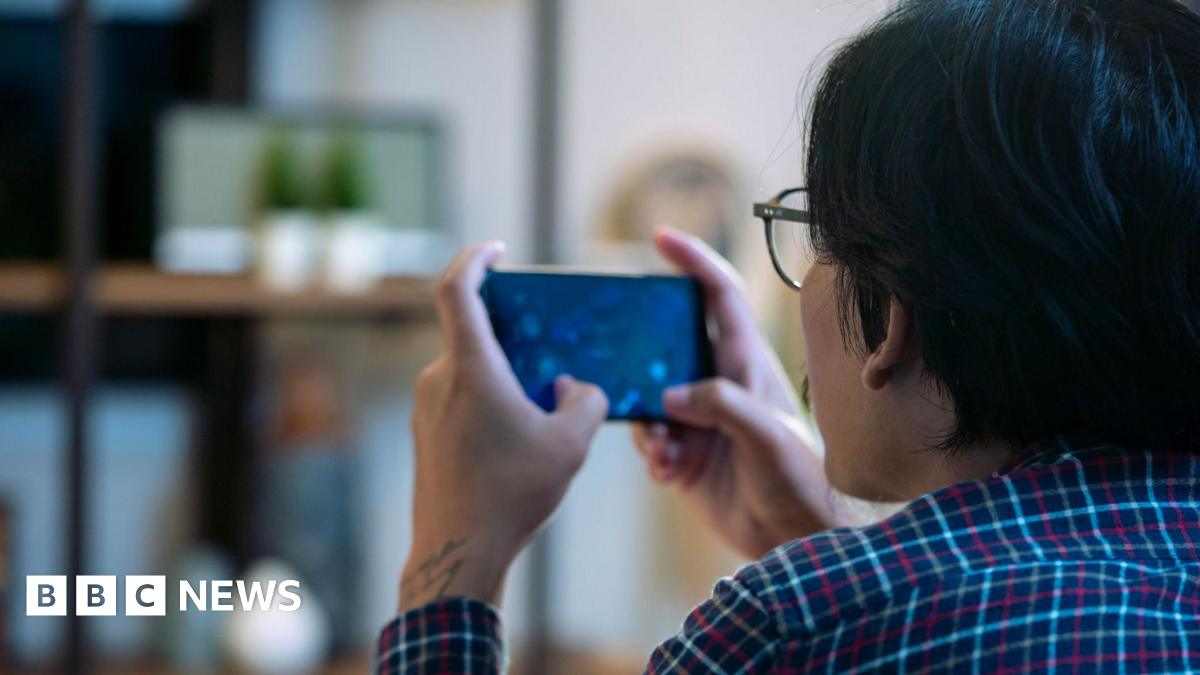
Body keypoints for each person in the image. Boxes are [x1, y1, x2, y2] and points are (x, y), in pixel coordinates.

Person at [376, 0, 1200, 671]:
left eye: (815, 238)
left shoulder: (786, 630)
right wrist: (813, 533)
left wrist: (452, 559)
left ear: (891, 322)